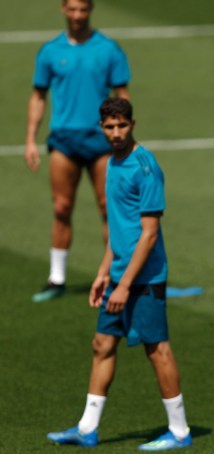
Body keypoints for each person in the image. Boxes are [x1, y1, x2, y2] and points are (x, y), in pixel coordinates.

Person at [47, 98, 190, 452]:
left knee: (157, 351)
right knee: (102, 344)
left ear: (133, 124)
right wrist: (102, 273)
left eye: (121, 126)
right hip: (118, 278)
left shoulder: (145, 167)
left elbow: (149, 233)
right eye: (109, 127)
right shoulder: (111, 163)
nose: (115, 133)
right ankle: (87, 428)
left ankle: (180, 431)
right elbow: (118, 228)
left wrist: (125, 285)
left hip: (145, 280)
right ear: (101, 128)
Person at [26, 0, 131, 302]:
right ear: (63, 9)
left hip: (100, 142)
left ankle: (118, 275)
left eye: (82, 9)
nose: (77, 15)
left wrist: (124, 136)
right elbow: (38, 96)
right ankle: (56, 278)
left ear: (90, 10)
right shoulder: (50, 51)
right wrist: (31, 138)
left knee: (107, 209)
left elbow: (122, 96)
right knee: (61, 208)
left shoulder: (108, 49)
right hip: (63, 140)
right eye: (71, 9)